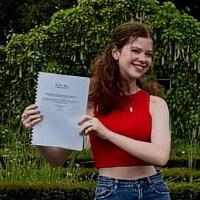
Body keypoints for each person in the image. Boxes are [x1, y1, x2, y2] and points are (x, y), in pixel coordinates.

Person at [21, 21, 171, 200]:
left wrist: (107, 133)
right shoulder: (89, 104)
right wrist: (37, 131)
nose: (143, 59)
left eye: (148, 54)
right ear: (116, 52)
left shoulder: (156, 103)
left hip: (153, 190)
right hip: (112, 192)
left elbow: (160, 156)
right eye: (136, 51)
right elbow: (56, 159)